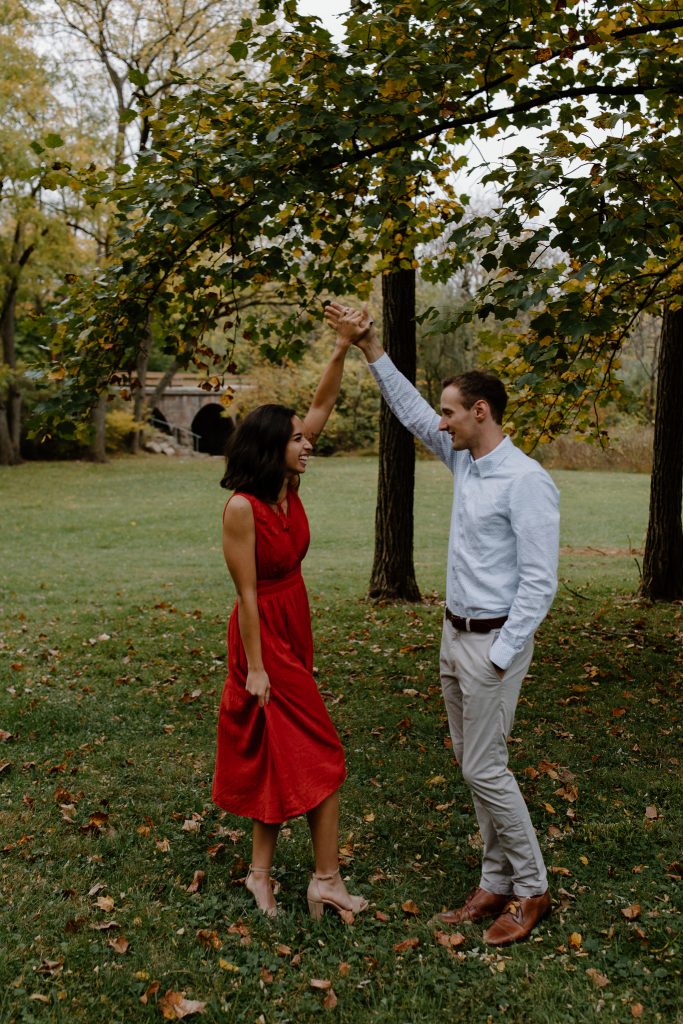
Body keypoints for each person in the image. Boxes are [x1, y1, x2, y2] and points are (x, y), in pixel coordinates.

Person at [324, 301, 559, 946]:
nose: (442, 421)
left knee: (487, 768)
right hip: (454, 636)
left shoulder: (526, 481)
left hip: (494, 644)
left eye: (451, 411)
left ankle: (532, 889)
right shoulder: (465, 461)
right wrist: (371, 346)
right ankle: (493, 881)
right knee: (472, 763)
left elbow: (540, 582)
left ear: (480, 412)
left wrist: (502, 653)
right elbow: (409, 411)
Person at [212, 318, 369, 921]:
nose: (310, 444)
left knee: (283, 755)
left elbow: (324, 400)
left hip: (294, 623)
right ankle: (325, 879)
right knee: (323, 754)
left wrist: (340, 347)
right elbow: (247, 595)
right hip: (262, 638)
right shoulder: (242, 508)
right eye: (299, 439)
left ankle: (260, 875)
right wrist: (255, 667)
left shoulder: (290, 489)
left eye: (307, 437)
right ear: (272, 445)